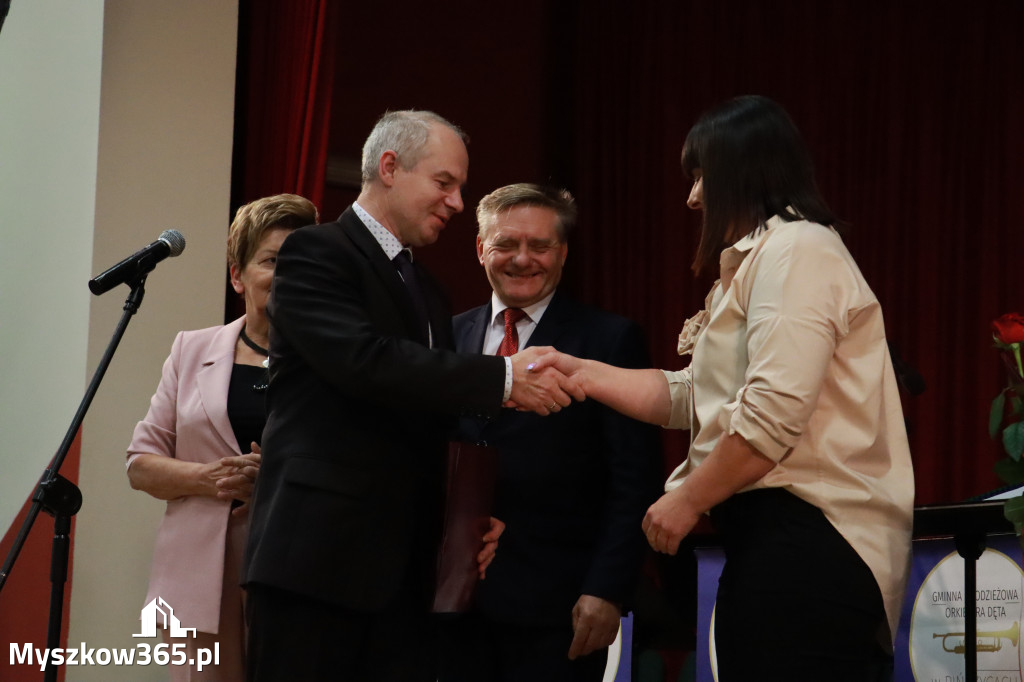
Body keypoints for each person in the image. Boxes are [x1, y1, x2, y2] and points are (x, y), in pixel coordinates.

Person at [537, 96, 914, 680]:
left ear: (742, 169)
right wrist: (581, 372)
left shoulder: (798, 251)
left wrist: (687, 499)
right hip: (776, 541)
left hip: (812, 541)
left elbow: (772, 415)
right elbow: (698, 396)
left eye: (700, 175)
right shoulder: (765, 256)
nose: (692, 197)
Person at [241, 111, 583, 682]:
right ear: (390, 168)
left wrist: (467, 517)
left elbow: (433, 415)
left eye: (459, 189)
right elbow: (363, 361)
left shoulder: (427, 288)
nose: (454, 202)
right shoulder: (314, 254)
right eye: (444, 183)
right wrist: (501, 377)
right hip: (316, 563)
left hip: (405, 577)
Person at [438, 184, 662, 681]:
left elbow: (635, 478)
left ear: (562, 253)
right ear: (480, 250)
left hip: (557, 606)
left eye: (539, 246)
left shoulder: (609, 340)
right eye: (505, 244)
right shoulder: (446, 337)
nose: (522, 259)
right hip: (450, 604)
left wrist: (606, 589)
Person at [126, 193, 319, 681]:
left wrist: (273, 479)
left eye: (301, 262)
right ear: (238, 275)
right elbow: (141, 465)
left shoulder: (333, 364)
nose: (288, 274)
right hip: (195, 580)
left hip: (296, 571)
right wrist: (212, 478)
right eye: (273, 261)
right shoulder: (191, 349)